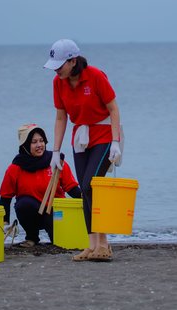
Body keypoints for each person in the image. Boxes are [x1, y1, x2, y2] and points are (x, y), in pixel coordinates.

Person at [44, 39, 122, 262]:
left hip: (105, 134)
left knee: (91, 185)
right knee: (84, 190)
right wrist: (55, 151)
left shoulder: (96, 75)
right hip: (81, 138)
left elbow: (113, 108)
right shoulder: (58, 82)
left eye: (60, 65)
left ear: (73, 61)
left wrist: (115, 141)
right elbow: (61, 117)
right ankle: (91, 245)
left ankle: (104, 244)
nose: (57, 70)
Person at [0, 124, 81, 247]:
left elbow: (71, 187)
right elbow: (5, 197)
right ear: (25, 145)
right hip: (32, 212)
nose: (39, 145)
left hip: (55, 214)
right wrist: (5, 223)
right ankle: (32, 237)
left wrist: (88, 199)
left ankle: (57, 235)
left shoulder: (55, 161)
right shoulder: (15, 168)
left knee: (60, 243)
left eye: (42, 141)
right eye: (34, 142)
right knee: (23, 204)